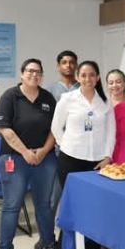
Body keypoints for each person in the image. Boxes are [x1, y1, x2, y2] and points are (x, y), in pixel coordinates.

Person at [0, 59, 57, 249]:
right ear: (21, 74)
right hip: (14, 158)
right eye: (30, 71)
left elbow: (55, 130)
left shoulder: (48, 98)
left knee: (43, 204)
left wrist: (44, 151)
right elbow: (5, 129)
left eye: (38, 72)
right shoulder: (10, 96)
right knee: (12, 205)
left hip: (44, 158)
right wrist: (26, 152)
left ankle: (48, 241)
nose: (34, 75)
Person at [51, 60, 115, 249]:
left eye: (92, 75)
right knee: (74, 206)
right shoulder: (68, 99)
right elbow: (55, 127)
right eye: (84, 75)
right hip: (71, 159)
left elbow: (111, 132)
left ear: (97, 78)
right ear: (78, 77)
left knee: (94, 206)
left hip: (97, 161)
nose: (88, 79)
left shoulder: (104, 101)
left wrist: (107, 156)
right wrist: (68, 146)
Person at [46, 50, 79, 223]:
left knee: (77, 192)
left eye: (72, 62)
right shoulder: (50, 90)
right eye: (64, 62)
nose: (68, 65)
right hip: (57, 148)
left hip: (79, 148)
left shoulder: (83, 88)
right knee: (54, 194)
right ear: (58, 66)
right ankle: (48, 236)